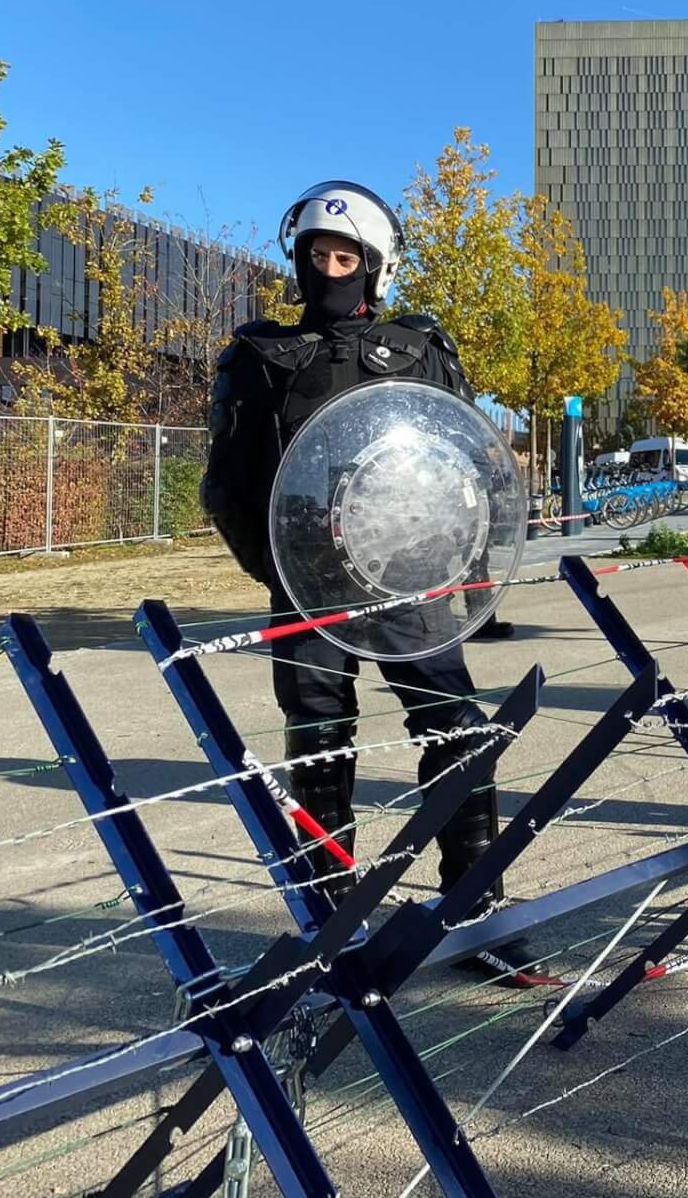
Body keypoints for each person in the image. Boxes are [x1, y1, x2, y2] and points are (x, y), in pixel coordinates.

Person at [202, 180, 553, 985]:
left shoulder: (420, 346)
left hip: (412, 577)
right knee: (320, 741)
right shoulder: (259, 358)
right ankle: (331, 921)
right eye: (318, 257)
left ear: (375, 265)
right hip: (309, 582)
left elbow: (463, 461)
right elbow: (227, 484)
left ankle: (476, 912)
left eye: (346, 257)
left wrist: (468, 568)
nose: (331, 270)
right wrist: (281, 569)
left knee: (457, 727)